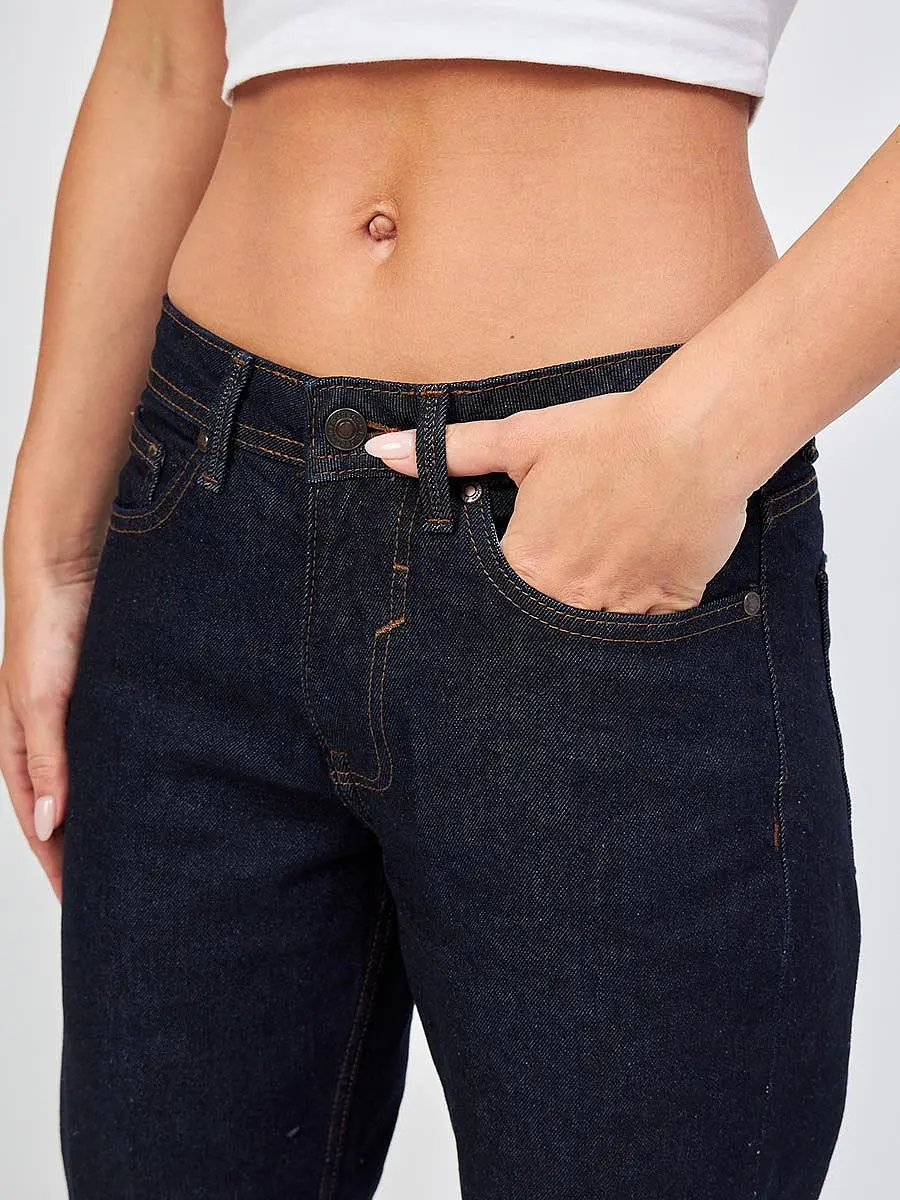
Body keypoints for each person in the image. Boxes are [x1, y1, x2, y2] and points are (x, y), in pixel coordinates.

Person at [1, 0, 893, 1195]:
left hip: (603, 555)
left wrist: (690, 448)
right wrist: (53, 546)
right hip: (201, 515)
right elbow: (164, 55)